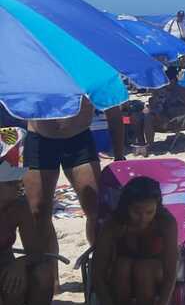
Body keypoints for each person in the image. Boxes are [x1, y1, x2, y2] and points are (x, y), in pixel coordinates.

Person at [23, 96, 124, 249]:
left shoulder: (88, 71)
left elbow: (113, 110)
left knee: (95, 207)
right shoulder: (34, 71)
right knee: (37, 212)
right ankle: (47, 268)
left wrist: (118, 156)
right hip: (39, 137)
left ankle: (98, 262)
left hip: (79, 138)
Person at [92, 176, 178, 305]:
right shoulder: (113, 225)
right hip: (120, 279)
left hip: (153, 276)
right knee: (123, 265)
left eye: (149, 212)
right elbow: (97, 273)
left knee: (144, 268)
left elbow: (171, 273)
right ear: (126, 207)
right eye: (136, 212)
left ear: (157, 208)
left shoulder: (165, 223)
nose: (142, 219)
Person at [0, 130, 50, 305]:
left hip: (5, 263)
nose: (19, 184)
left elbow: (37, 252)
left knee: (43, 273)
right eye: (11, 183)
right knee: (13, 286)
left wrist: (20, 264)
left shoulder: (19, 206)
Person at [137, 65, 185, 154]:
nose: (165, 83)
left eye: (167, 81)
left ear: (174, 80)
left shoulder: (183, 91)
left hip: (178, 122)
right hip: (162, 120)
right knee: (140, 116)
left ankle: (149, 146)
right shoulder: (161, 91)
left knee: (149, 117)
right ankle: (146, 144)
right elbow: (154, 106)